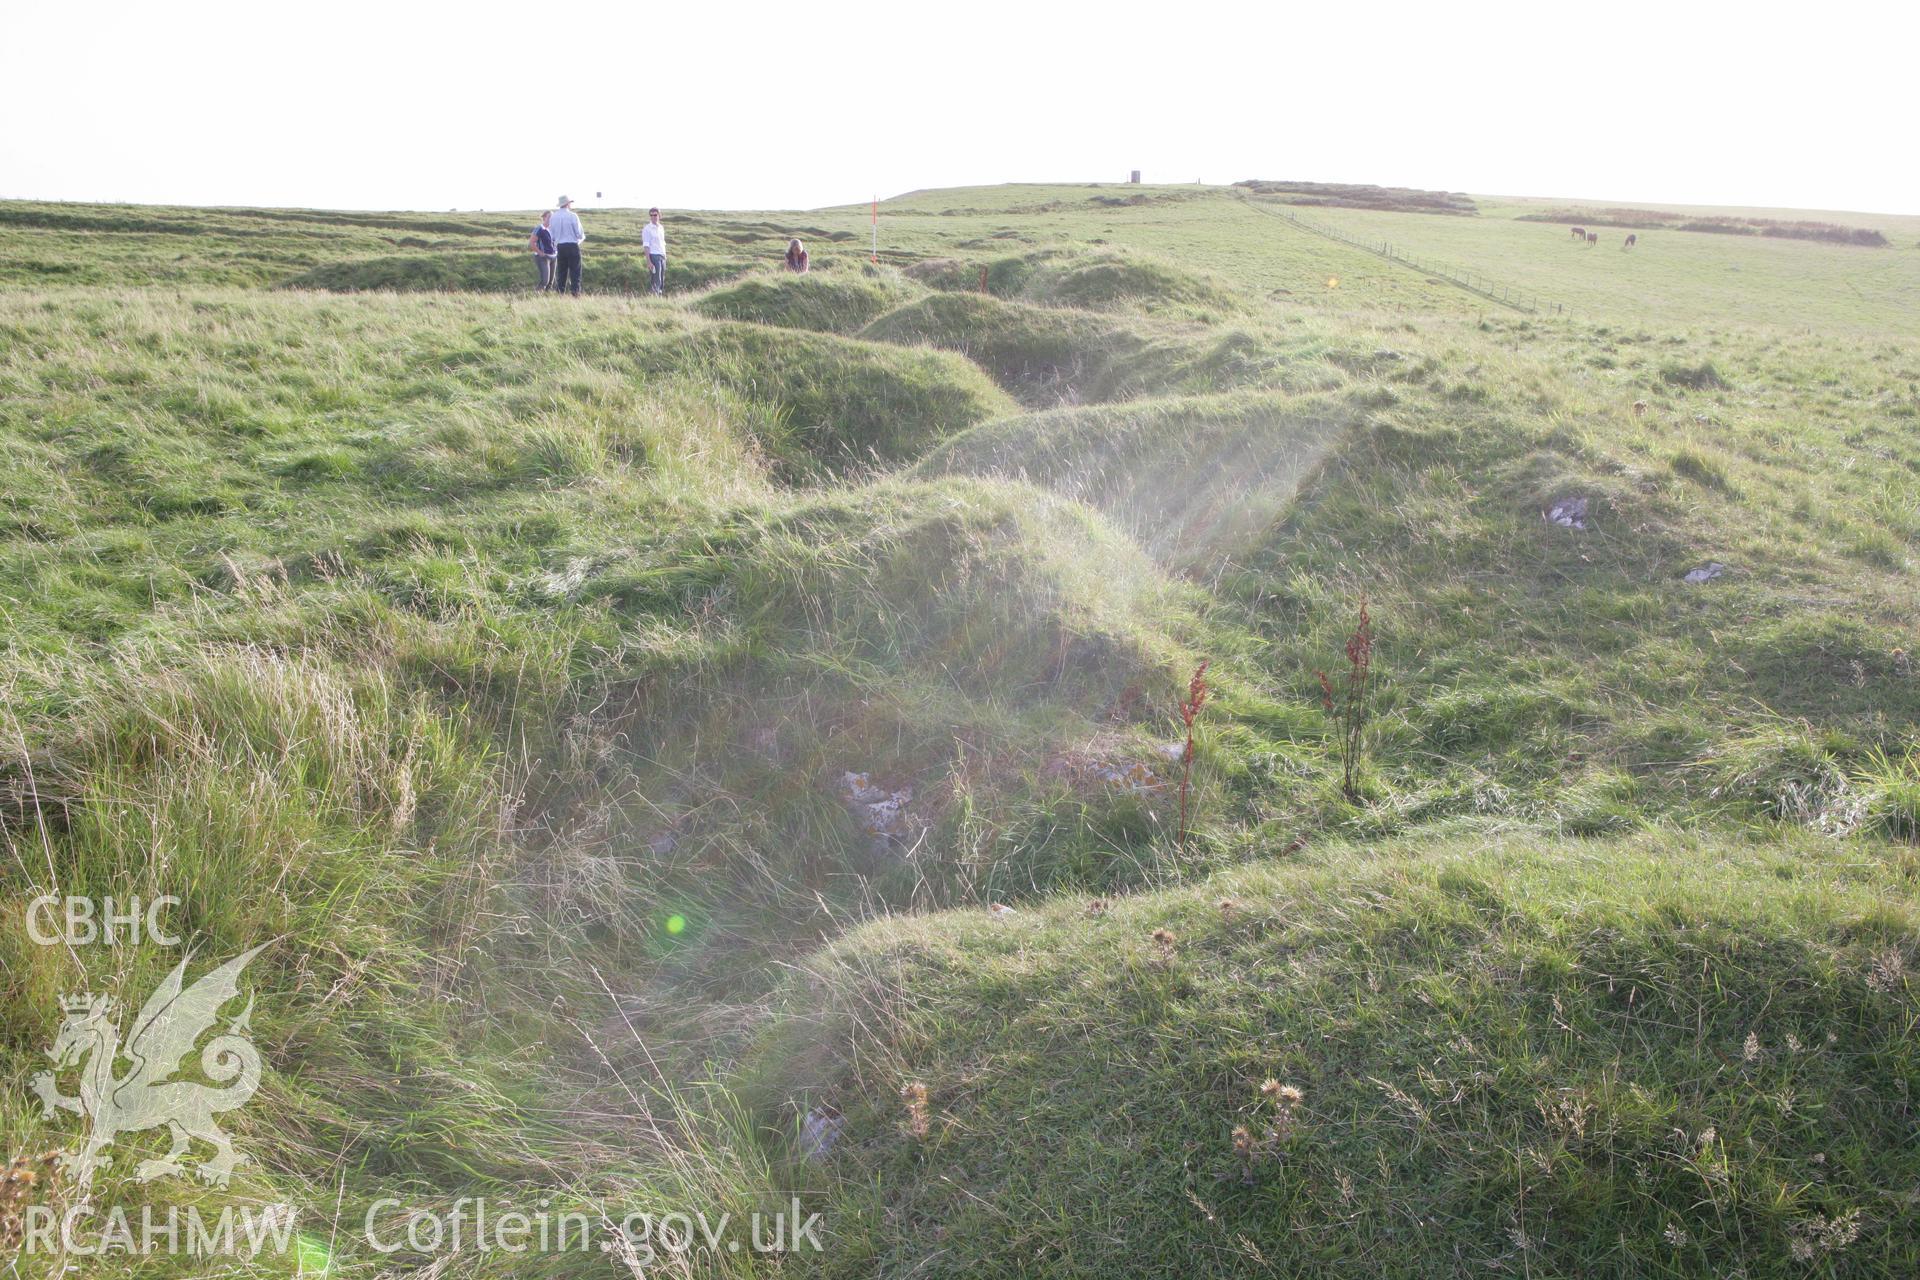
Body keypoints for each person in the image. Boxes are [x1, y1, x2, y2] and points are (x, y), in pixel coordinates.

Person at [549, 196, 585, 296]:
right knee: (575, 271)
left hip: (560, 246)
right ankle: (575, 293)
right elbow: (579, 234)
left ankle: (560, 293)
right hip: (572, 245)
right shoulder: (573, 216)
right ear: (567, 204)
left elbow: (551, 234)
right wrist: (578, 239)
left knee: (561, 271)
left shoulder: (553, 217)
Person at [529, 211, 557, 291]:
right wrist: (540, 253)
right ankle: (535, 296)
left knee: (551, 282)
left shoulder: (553, 229)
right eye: (549, 217)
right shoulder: (539, 228)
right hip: (543, 257)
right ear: (544, 218)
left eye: (552, 217)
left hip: (554, 257)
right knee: (545, 281)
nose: (551, 219)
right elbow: (531, 242)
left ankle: (546, 298)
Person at [642, 207, 667, 296]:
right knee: (656, 279)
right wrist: (649, 261)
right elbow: (646, 246)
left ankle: (659, 296)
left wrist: (665, 256)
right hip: (653, 256)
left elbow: (662, 243)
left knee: (662, 278)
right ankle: (653, 297)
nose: (653, 217)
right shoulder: (647, 229)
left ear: (659, 215)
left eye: (655, 215)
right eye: (651, 215)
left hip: (662, 255)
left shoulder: (661, 228)